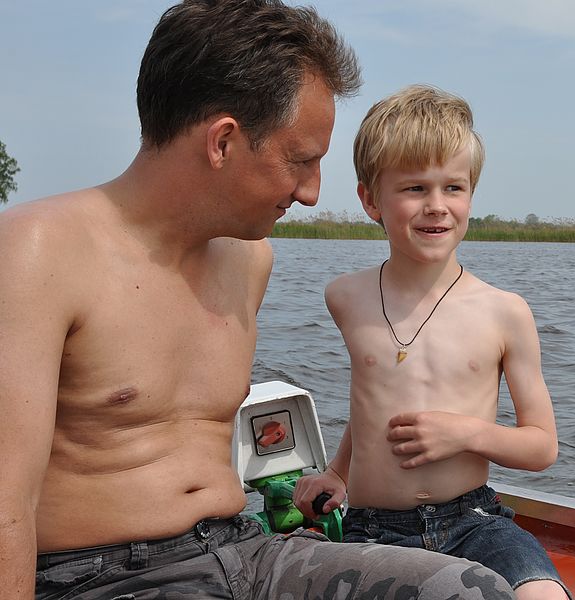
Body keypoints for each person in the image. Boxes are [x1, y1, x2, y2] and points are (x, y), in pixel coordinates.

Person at [0, 2, 516, 599]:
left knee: (471, 589)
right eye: (301, 161)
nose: (313, 194)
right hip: (97, 576)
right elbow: (6, 498)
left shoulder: (249, 259)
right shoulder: (38, 251)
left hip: (242, 549)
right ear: (223, 141)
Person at [292, 84, 571, 599]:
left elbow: (542, 447)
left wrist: (463, 433)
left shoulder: (504, 312)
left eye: (454, 188)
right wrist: (337, 472)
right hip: (375, 530)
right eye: (415, 189)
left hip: (475, 522)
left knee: (543, 595)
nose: (437, 207)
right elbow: (372, 399)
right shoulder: (345, 297)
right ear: (370, 200)